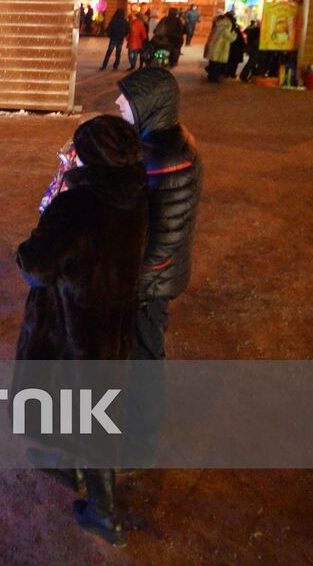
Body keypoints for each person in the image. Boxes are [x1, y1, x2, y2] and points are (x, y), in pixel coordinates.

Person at [14, 114, 148, 547]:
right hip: (112, 321)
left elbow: (37, 265)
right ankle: (75, 471)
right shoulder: (135, 195)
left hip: (69, 325)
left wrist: (25, 248)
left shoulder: (77, 204)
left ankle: (104, 511)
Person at [116, 67, 204, 467]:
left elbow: (162, 239)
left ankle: (139, 447)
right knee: (136, 358)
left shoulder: (165, 159)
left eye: (126, 100)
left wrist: (132, 282)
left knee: (144, 363)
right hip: (150, 277)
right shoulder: (160, 142)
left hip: (149, 284)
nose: (118, 104)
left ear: (149, 104)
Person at [204, 13, 234, 82]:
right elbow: (230, 38)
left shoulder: (217, 26)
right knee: (216, 65)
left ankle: (211, 77)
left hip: (213, 47)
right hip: (219, 49)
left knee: (213, 64)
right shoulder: (224, 28)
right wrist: (234, 34)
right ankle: (214, 79)